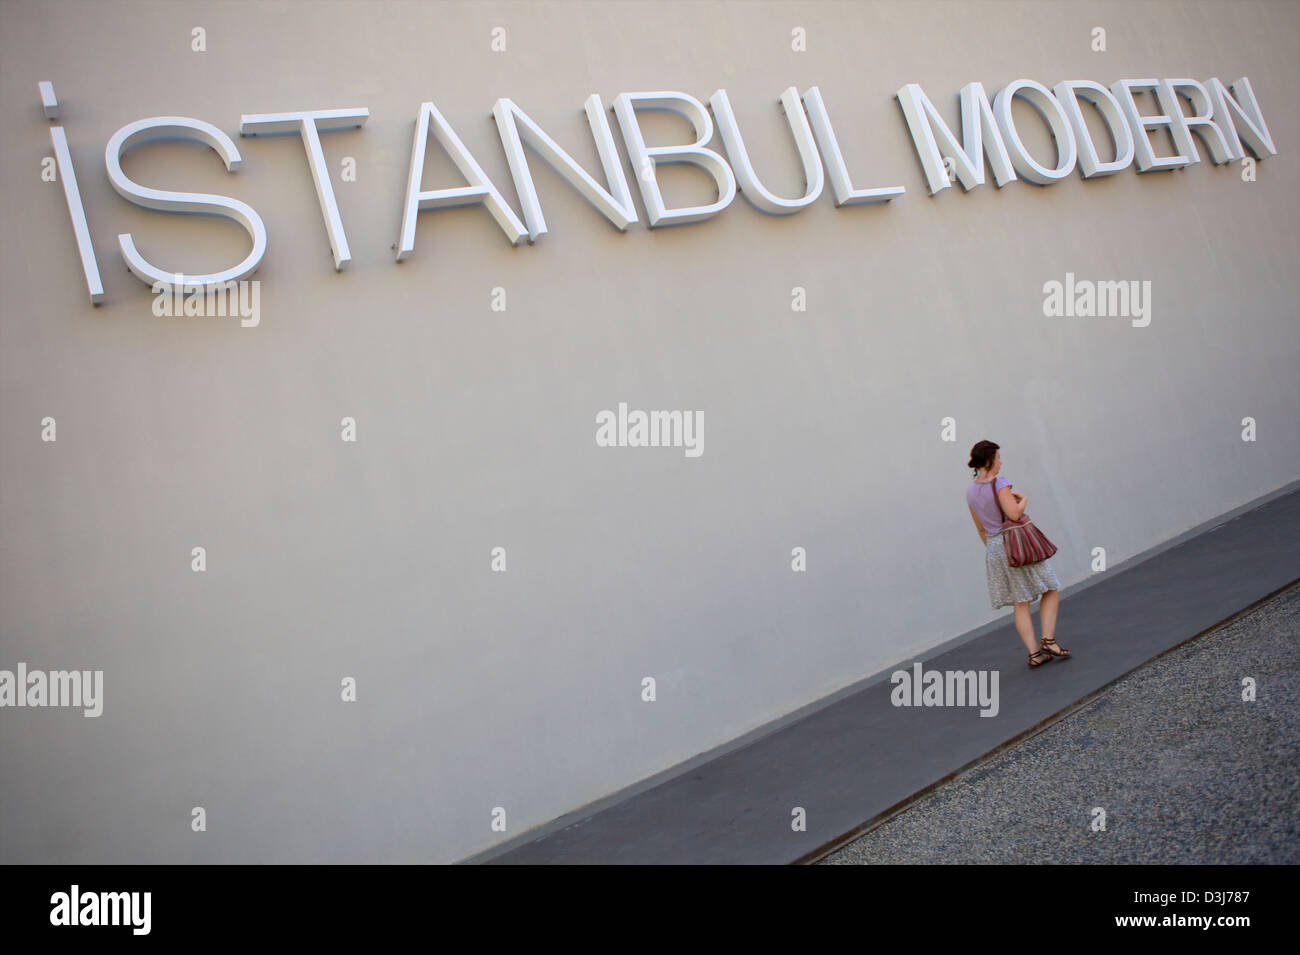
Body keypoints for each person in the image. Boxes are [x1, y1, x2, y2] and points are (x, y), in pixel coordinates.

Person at [965, 440, 1070, 668]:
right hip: (1014, 544)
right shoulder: (1000, 484)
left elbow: (980, 528)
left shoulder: (971, 491)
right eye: (999, 457)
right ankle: (1048, 640)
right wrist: (1023, 501)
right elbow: (1013, 515)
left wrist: (995, 548)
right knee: (1050, 587)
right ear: (990, 460)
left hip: (994, 548)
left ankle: (1034, 653)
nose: (1001, 462)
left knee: (1020, 603)